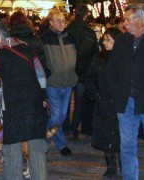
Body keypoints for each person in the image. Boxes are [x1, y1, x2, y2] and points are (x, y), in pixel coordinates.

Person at [0, 21, 48, 180]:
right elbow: (41, 75)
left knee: (12, 146)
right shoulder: (27, 49)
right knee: (36, 145)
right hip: (34, 102)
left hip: (13, 105)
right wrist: (43, 96)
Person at [106, 4, 144, 180]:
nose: (124, 24)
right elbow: (112, 69)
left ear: (140, 20)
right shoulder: (122, 41)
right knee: (127, 146)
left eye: (127, 19)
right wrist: (116, 92)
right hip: (126, 103)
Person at [40, 10, 78, 156]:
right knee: (57, 117)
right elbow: (40, 62)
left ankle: (47, 141)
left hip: (68, 82)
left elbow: (77, 57)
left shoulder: (71, 37)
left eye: (63, 20)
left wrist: (75, 72)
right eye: (58, 20)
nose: (62, 23)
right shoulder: (44, 39)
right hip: (52, 83)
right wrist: (48, 74)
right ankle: (49, 143)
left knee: (61, 116)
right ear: (50, 22)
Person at [86, 27, 121, 178]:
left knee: (120, 136)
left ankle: (124, 165)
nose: (105, 43)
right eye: (104, 39)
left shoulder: (124, 58)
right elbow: (91, 78)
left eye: (108, 40)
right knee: (107, 137)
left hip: (120, 104)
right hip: (104, 103)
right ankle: (111, 167)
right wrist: (96, 95)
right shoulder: (99, 57)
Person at [67, 3, 99, 139]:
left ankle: (65, 127)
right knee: (80, 102)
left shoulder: (67, 30)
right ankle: (75, 127)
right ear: (86, 15)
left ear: (75, 14)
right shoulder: (90, 33)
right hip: (83, 72)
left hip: (67, 71)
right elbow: (95, 53)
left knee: (65, 102)